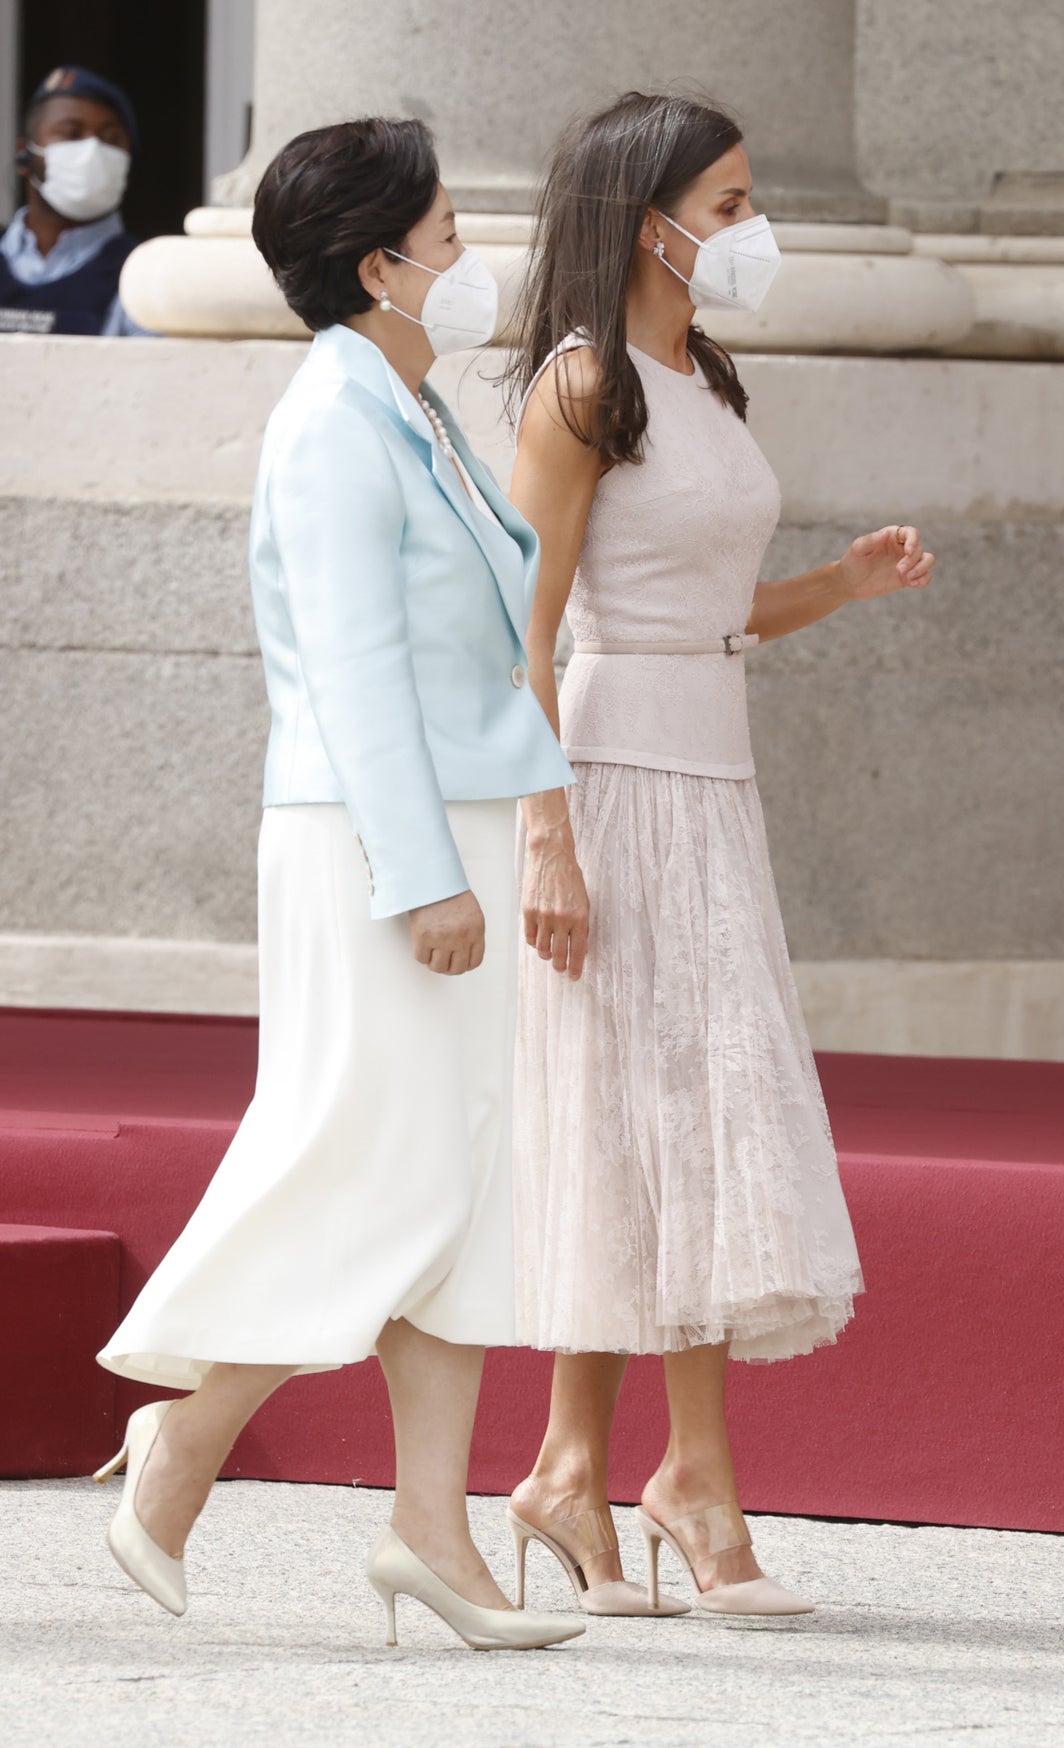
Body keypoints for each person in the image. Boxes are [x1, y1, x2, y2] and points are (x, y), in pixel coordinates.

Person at [93, 117, 583, 1654]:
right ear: (377, 262)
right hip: (383, 842)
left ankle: (429, 1529)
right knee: (366, 1160)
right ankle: (184, 1439)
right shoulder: (330, 420)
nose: (467, 252)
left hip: (461, 822)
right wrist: (423, 875)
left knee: (460, 1181)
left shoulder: (411, 403)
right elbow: (358, 675)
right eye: (444, 229)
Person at [505, 92, 935, 1618]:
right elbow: (525, 630)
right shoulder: (580, 387)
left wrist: (835, 581)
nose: (755, 229)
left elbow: (715, 611)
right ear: (649, 220)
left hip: (710, 774)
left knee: (679, 1122)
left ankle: (592, 1470)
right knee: (643, 1119)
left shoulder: (704, 378)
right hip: (608, 782)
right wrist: (545, 840)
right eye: (733, 200)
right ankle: (663, 1477)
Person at [0, 64, 148, 336]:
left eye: (111, 138)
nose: (92, 150)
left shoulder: (141, 278)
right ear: (25, 155)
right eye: (71, 133)